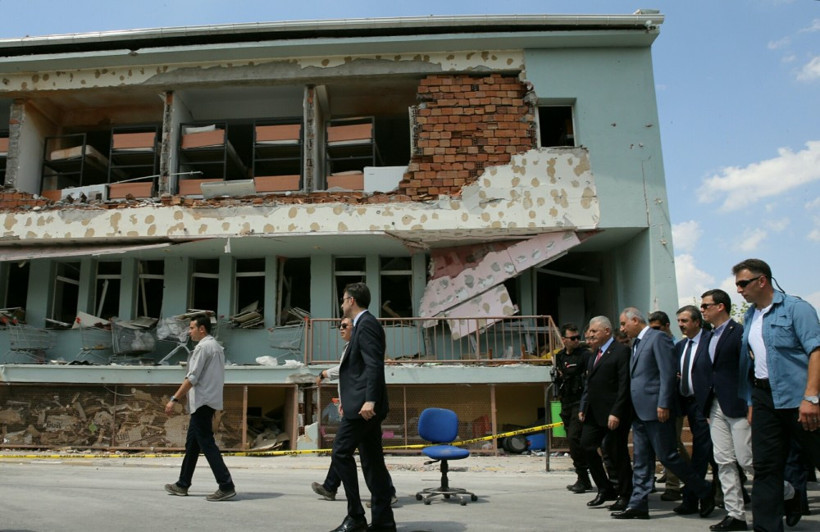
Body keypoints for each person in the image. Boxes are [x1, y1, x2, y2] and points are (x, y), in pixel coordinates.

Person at [733, 258, 820, 532]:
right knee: (766, 468)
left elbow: (816, 351)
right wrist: (750, 401)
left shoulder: (797, 309)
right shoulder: (750, 315)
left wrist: (811, 397)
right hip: (763, 399)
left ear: (762, 281)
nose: (739, 290)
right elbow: (752, 361)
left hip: (798, 399)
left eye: (743, 283)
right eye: (736, 284)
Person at [612, 307, 714, 520]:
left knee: (668, 457)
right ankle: (638, 504)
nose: (622, 329)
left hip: (657, 410)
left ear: (635, 320)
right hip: (639, 412)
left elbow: (667, 372)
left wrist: (664, 403)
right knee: (641, 459)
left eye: (624, 324)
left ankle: (704, 490)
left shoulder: (657, 338)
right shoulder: (636, 343)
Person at [328, 282, 396, 532]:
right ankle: (384, 522)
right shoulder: (362, 325)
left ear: (352, 301)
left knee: (340, 453)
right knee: (372, 462)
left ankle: (356, 516)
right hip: (361, 405)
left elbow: (373, 365)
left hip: (364, 407)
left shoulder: (366, 324)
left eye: (344, 299)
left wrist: (370, 400)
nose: (342, 303)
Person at [313, 317, 397, 506]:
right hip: (356, 407)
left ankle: (376, 498)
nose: (340, 329)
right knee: (357, 452)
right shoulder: (349, 347)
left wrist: (325, 374)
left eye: (344, 326)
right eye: (339, 326)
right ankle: (331, 486)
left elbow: (365, 372)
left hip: (363, 409)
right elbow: (349, 376)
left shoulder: (360, 344)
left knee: (347, 451)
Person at [164, 314, 236, 501]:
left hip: (202, 402)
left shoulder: (203, 348)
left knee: (207, 444)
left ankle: (226, 485)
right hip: (209, 401)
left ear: (201, 329)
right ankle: (182, 484)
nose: (189, 332)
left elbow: (192, 378)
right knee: (193, 445)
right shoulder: (217, 347)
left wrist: (174, 399)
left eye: (191, 328)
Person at [699, 289, 751, 531]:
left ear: (720, 306)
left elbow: (748, 368)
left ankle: (787, 493)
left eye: (706, 305)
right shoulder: (707, 336)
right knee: (723, 461)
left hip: (739, 404)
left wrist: (752, 402)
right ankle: (735, 515)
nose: (702, 310)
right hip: (715, 405)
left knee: (748, 461)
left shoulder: (739, 332)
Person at [578, 316, 633, 512]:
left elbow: (624, 384)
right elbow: (589, 384)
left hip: (613, 414)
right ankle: (605, 488)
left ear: (607, 331)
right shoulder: (595, 354)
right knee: (586, 446)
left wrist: (616, 412)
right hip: (593, 412)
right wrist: (583, 408)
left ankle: (626, 494)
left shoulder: (621, 351)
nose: (590, 335)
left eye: (594, 331)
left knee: (617, 453)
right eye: (590, 332)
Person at [672, 305, 715, 516]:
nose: (681, 325)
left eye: (685, 321)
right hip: (686, 403)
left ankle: (694, 497)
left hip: (706, 405)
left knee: (701, 453)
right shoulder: (680, 347)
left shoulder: (711, 341)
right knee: (708, 453)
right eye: (679, 321)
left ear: (697, 322)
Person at [648, 309, 688, 501]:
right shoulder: (652, 344)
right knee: (672, 443)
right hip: (658, 401)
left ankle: (674, 485)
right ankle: (690, 474)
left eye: (657, 328)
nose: (654, 332)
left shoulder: (678, 346)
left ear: (666, 326)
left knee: (672, 444)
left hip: (675, 401)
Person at [552, 323, 593, 493]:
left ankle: (587, 476)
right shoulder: (560, 356)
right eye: (572, 338)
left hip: (580, 402)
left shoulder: (584, 356)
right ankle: (582, 478)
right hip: (566, 402)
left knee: (576, 439)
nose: (576, 341)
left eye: (578, 338)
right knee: (572, 441)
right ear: (564, 340)